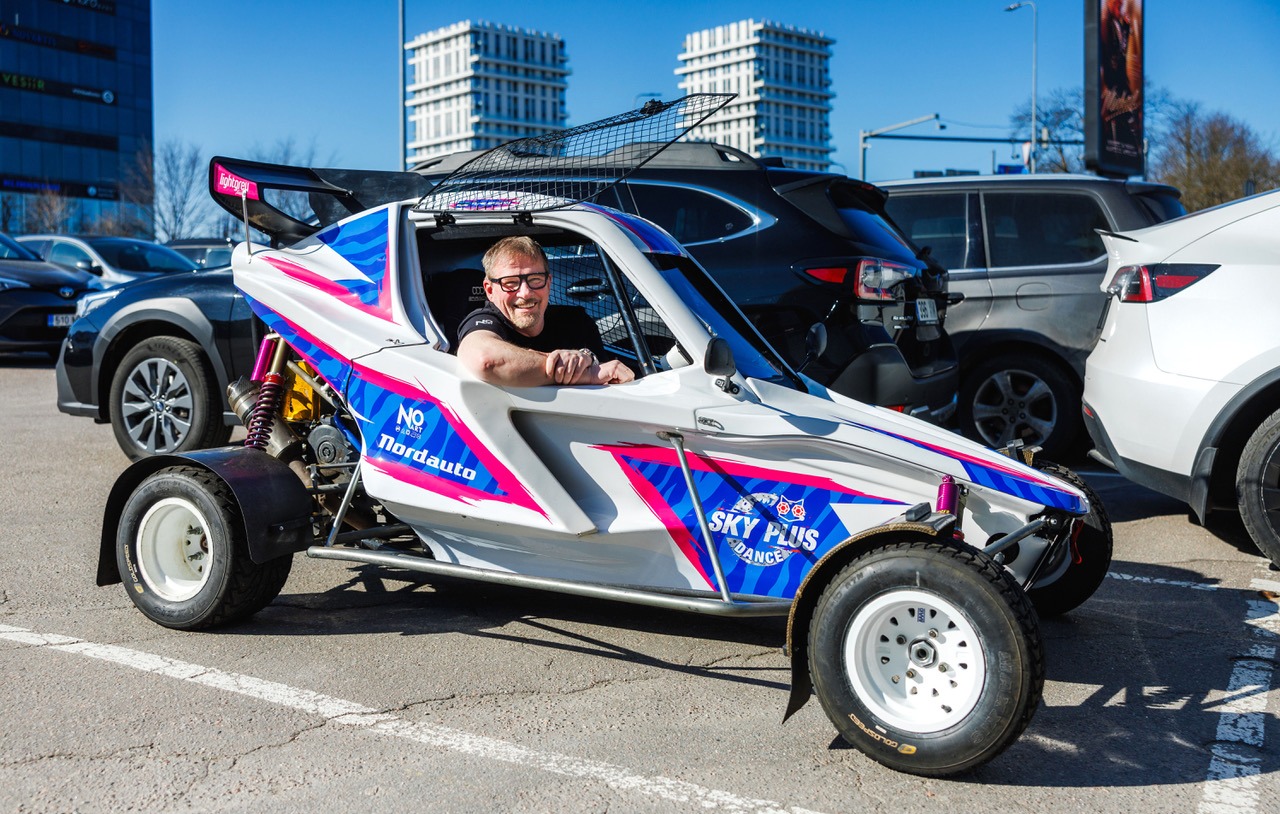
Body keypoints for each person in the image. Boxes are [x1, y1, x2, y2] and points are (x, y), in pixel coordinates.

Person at [456, 236, 636, 387]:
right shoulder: (483, 321)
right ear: (489, 290)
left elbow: (609, 377)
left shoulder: (576, 321)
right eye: (510, 283)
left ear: (549, 283)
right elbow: (486, 359)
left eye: (535, 279)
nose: (525, 293)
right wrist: (580, 372)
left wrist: (589, 360)